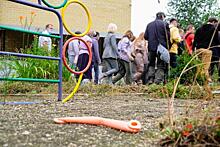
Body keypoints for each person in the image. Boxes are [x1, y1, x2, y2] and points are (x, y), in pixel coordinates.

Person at [144, 12, 170, 84]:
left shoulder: (149, 25)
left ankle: (150, 79)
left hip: (151, 47)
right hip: (162, 47)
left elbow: (145, 36)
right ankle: (157, 81)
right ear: (162, 16)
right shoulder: (165, 24)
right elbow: (168, 37)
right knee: (161, 65)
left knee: (151, 64)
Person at [193, 17, 219, 83]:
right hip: (208, 50)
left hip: (198, 50)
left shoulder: (199, 29)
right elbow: (216, 41)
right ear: (213, 22)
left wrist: (193, 49)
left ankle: (199, 80)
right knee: (206, 67)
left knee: (200, 66)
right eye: (215, 23)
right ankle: (206, 80)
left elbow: (195, 40)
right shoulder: (213, 29)